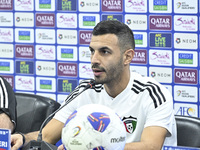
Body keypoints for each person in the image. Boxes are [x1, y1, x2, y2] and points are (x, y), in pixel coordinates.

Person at [11, 20, 177, 150]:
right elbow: (45, 136)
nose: (94, 60)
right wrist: (24, 138)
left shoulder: (152, 93)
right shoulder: (84, 91)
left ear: (127, 57)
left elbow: (152, 146)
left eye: (104, 52)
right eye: (92, 51)